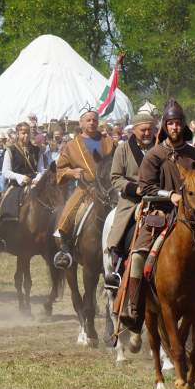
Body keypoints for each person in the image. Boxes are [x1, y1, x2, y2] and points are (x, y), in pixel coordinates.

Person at [115, 100, 195, 334]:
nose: (175, 127)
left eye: (178, 123)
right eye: (171, 123)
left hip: (194, 217)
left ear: (183, 125)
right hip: (159, 214)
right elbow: (145, 188)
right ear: (165, 127)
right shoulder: (155, 155)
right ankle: (134, 308)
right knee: (137, 256)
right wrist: (170, 196)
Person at [52, 109, 115, 269]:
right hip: (85, 189)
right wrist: (72, 172)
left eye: (94, 120)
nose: (92, 123)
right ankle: (65, 249)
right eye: (88, 120)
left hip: (109, 189)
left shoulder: (109, 141)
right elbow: (60, 169)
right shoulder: (72, 145)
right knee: (68, 212)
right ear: (81, 123)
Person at [104, 110, 157, 293]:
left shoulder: (161, 147)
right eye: (143, 130)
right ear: (134, 130)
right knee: (121, 230)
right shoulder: (123, 149)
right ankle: (116, 269)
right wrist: (135, 189)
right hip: (132, 201)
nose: (147, 133)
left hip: (160, 199)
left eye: (150, 129)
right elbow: (115, 177)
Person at [0, 121, 45, 227]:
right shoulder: (11, 151)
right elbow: (5, 172)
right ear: (17, 133)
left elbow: (41, 169)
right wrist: (19, 177)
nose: (26, 135)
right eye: (23, 133)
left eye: (27, 133)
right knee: (8, 209)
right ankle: (6, 230)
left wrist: (38, 178)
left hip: (35, 184)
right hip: (17, 185)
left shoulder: (37, 150)